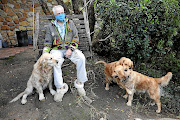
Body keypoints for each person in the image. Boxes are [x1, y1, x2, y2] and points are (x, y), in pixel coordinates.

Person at [43, 5, 88, 102]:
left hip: (70, 49)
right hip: (57, 50)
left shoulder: (70, 23)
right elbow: (47, 41)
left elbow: (76, 37)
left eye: (62, 13)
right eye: (58, 13)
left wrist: (71, 49)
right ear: (55, 15)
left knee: (81, 58)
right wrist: (45, 52)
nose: (61, 15)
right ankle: (60, 88)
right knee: (55, 62)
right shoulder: (51, 26)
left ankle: (80, 83)